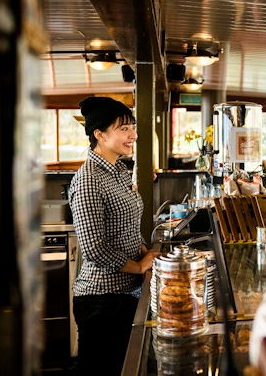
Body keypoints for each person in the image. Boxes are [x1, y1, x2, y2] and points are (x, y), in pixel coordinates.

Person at [68, 96, 159, 376]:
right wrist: (138, 266)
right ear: (99, 134)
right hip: (102, 301)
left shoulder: (118, 169)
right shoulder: (87, 180)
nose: (133, 134)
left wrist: (144, 252)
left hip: (125, 294)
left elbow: (128, 224)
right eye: (123, 128)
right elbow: (95, 248)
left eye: (132, 127)